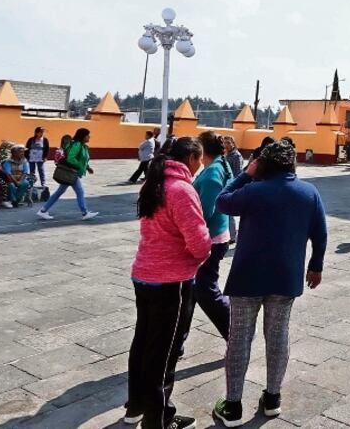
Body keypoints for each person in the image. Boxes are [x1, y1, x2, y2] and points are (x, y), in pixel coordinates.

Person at [212, 140, 327, 424]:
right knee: (278, 337)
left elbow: (222, 200)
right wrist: (315, 265)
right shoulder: (308, 193)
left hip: (247, 277)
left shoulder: (253, 191)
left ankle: (233, 405)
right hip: (285, 277)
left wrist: (247, 173)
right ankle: (273, 398)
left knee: (239, 338)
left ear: (264, 164)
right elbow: (320, 233)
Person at [124, 136, 211, 429]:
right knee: (163, 354)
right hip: (171, 280)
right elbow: (199, 243)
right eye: (199, 160)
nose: (200, 166)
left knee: (143, 344)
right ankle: (158, 420)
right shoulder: (181, 189)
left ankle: (135, 406)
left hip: (144, 273)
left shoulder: (153, 183)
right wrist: (199, 255)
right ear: (190, 159)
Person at [192, 131, 233, 339]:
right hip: (215, 235)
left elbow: (205, 211)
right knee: (192, 290)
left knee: (206, 291)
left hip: (211, 238)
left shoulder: (212, 173)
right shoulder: (216, 167)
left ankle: (235, 332)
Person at [38, 128, 98, 220]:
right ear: (83, 136)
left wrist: (87, 167)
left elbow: (81, 159)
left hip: (72, 172)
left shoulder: (82, 146)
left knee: (60, 192)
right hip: (71, 172)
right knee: (79, 191)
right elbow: (71, 158)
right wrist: (79, 166)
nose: (89, 137)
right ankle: (84, 212)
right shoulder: (77, 145)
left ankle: (43, 210)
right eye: (87, 135)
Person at [222, 136, 244, 243]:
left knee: (229, 213)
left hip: (232, 186)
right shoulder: (226, 154)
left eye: (228, 142)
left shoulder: (236, 156)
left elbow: (238, 173)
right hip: (225, 185)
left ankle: (232, 236)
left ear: (233, 143)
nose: (226, 144)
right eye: (225, 142)